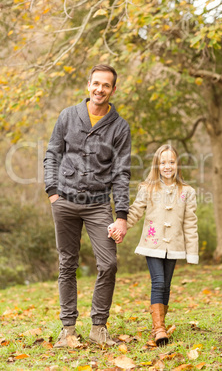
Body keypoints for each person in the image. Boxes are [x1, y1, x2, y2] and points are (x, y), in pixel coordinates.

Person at [44, 64, 131, 348]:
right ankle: (68, 330)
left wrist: (121, 216)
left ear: (113, 90)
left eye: (106, 85)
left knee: (108, 264)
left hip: (98, 206)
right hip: (65, 202)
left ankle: (98, 328)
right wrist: (52, 192)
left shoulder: (120, 127)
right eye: (96, 83)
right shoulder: (68, 116)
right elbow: (52, 154)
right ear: (88, 85)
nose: (100, 89)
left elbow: (121, 173)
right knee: (67, 264)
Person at [109, 144, 199, 346]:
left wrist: (192, 251)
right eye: (163, 162)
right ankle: (158, 330)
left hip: (174, 245)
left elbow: (190, 223)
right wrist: (119, 226)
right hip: (152, 243)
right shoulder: (147, 189)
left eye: (172, 162)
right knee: (158, 281)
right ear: (157, 165)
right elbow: (134, 212)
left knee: (166, 285)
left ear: (177, 165)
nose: (168, 166)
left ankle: (161, 325)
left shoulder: (187, 192)